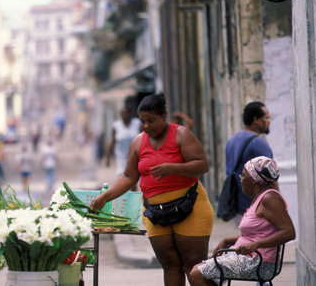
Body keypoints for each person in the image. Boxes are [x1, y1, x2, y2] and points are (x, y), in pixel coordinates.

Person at [90, 93, 214, 286]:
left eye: (151, 121)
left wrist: (173, 168)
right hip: (156, 214)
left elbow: (202, 165)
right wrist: (105, 197)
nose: (146, 126)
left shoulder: (181, 134)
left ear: (164, 116)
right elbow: (129, 177)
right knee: (170, 265)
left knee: (193, 266)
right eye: (142, 121)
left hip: (190, 207)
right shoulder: (138, 142)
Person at [189, 156, 295, 285]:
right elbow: (255, 235)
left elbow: (289, 232)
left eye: (243, 176)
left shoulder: (270, 199)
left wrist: (256, 245)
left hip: (259, 262)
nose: (241, 180)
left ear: (254, 181)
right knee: (198, 270)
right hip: (250, 257)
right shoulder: (260, 198)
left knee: (196, 274)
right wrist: (227, 240)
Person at [224, 101, 273, 216]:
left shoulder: (232, 140)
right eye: (266, 117)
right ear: (256, 120)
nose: (269, 121)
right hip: (257, 207)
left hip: (237, 206)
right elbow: (271, 178)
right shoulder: (258, 143)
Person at [105, 106, 141, 177]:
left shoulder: (137, 123)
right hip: (121, 157)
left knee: (133, 178)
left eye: (126, 113)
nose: (125, 115)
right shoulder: (116, 126)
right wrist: (108, 158)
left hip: (134, 156)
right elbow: (113, 142)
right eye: (123, 113)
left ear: (130, 113)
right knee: (122, 178)